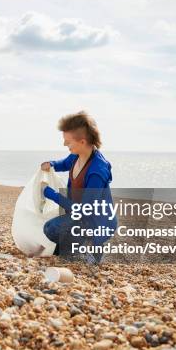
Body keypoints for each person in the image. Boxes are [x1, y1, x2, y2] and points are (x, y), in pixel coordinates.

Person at [40, 111, 117, 262]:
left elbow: (83, 210)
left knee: (51, 228)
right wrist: (52, 164)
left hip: (97, 222)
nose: (64, 144)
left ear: (82, 142)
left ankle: (92, 245)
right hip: (80, 217)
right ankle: (72, 247)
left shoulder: (97, 171)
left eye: (68, 142)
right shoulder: (77, 155)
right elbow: (64, 163)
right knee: (55, 233)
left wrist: (52, 195)